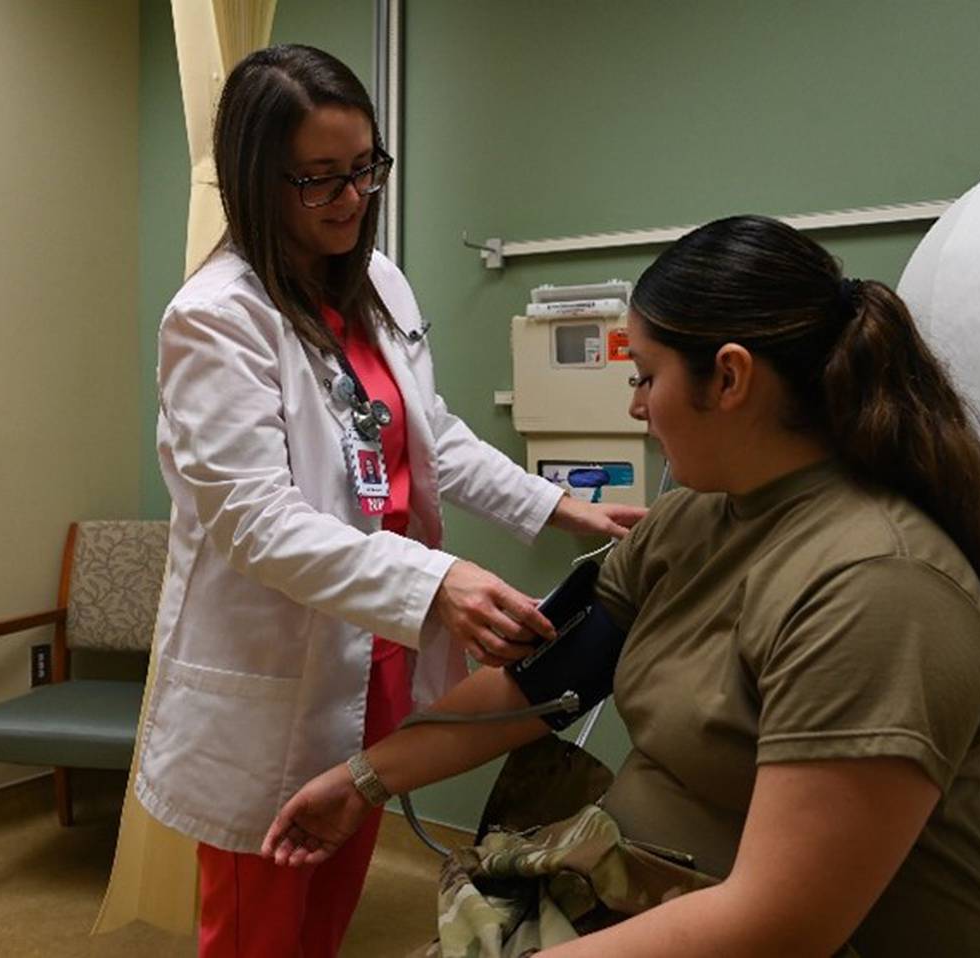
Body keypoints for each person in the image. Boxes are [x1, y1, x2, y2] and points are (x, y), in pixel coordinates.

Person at [264, 215, 980, 956]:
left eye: (646, 376)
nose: (637, 406)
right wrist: (360, 780)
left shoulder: (880, 592)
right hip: (636, 893)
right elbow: (541, 682)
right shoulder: (695, 519)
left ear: (730, 377)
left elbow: (779, 923)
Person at [131, 44, 644, 958]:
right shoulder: (215, 317)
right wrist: (437, 581)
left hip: (377, 664)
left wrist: (564, 509)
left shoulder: (377, 285)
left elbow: (427, 436)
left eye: (364, 169)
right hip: (280, 679)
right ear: (257, 181)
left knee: (326, 914)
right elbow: (254, 521)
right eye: (318, 181)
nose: (351, 200)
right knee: (259, 930)